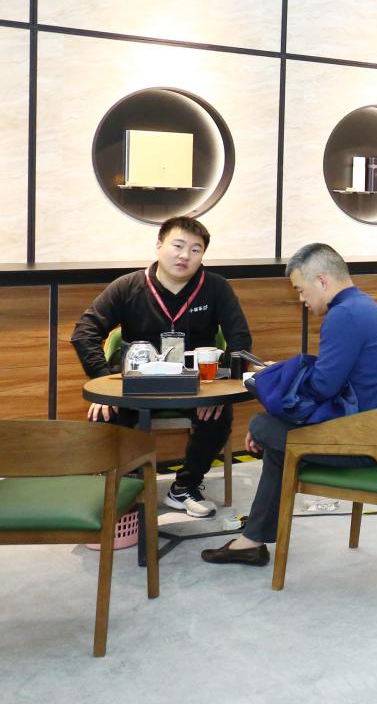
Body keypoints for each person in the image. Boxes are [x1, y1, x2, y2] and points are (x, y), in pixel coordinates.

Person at [202, 243, 377, 565]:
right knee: (277, 440)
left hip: (371, 443)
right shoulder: (363, 306)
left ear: (322, 281)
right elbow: (333, 383)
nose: (302, 300)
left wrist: (273, 384)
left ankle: (251, 541)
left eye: (301, 290)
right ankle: (251, 541)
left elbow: (322, 386)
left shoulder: (343, 316)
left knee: (262, 426)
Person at [71, 216, 252, 518]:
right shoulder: (128, 286)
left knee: (219, 415)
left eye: (195, 250)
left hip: (196, 385)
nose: (185, 255)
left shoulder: (216, 287)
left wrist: (221, 391)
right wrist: (104, 383)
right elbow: (84, 333)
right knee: (105, 415)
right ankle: (127, 486)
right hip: (137, 385)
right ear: (159, 245)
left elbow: (240, 340)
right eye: (177, 246)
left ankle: (185, 485)